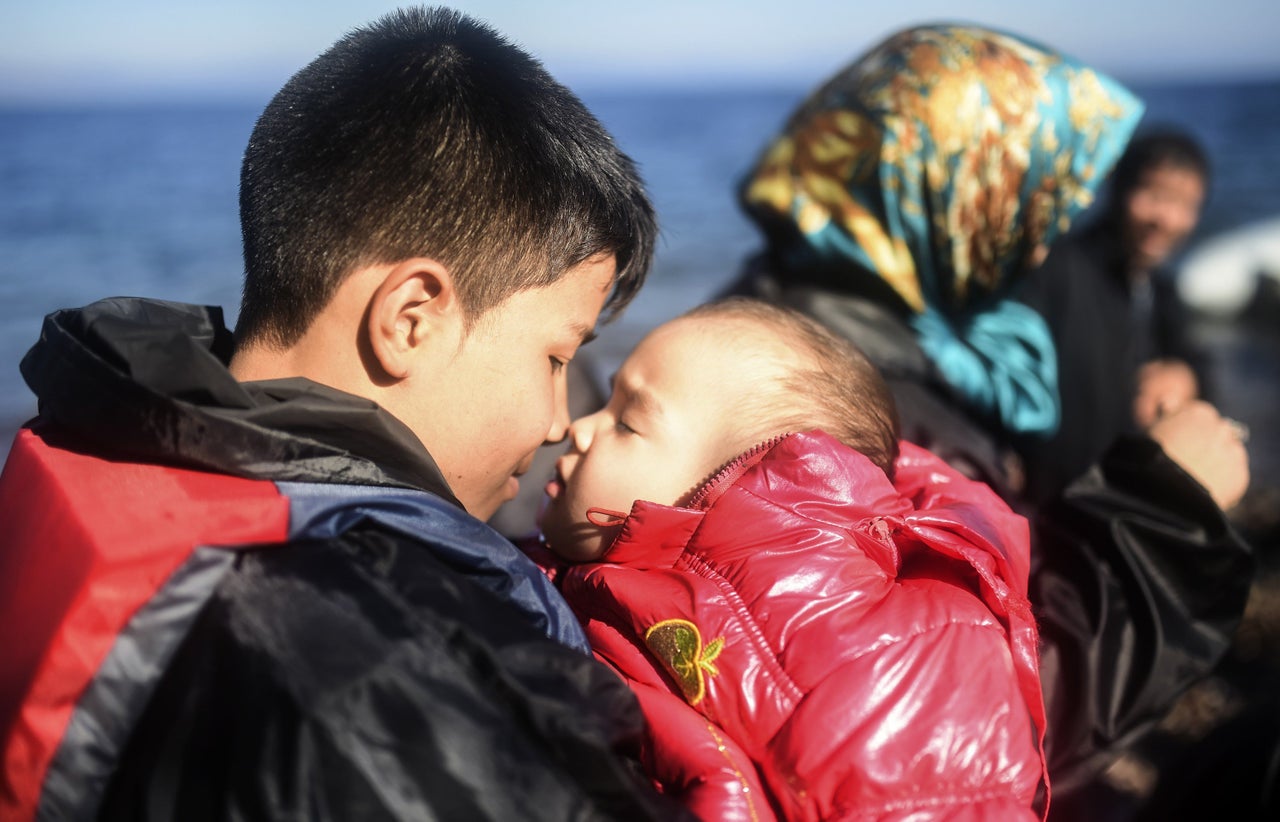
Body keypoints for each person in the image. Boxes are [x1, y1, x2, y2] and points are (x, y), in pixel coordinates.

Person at [0, 7, 684, 821]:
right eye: (556, 358)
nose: (554, 423)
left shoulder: (107, 437)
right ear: (411, 319)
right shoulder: (377, 671)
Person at [716, 24, 1254, 818]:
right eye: (1030, 190)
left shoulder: (808, 332)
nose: (1046, 225)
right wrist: (1166, 514)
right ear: (950, 185)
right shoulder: (828, 406)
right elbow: (960, 709)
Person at [530, 297, 1049, 820]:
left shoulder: (854, 652)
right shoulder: (602, 573)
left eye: (627, 422)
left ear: (725, 484)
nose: (577, 426)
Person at [1015, 129, 1216, 505]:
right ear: (1118, 188)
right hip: (1055, 501)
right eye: (1154, 195)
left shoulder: (1160, 287)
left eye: (1186, 204)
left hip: (1122, 500)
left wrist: (1185, 375)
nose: (1166, 218)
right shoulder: (1056, 269)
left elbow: (1196, 356)